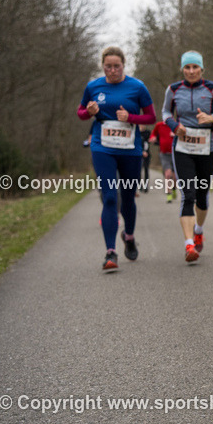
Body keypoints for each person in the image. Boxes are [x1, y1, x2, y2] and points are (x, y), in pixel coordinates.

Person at [78, 46, 156, 271]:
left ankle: (129, 236)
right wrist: (90, 112)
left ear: (124, 65)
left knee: (129, 197)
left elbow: (150, 116)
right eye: (108, 66)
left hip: (130, 148)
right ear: (103, 66)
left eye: (116, 66)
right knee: (110, 197)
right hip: (102, 146)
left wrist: (129, 117)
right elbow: (81, 113)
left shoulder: (137, 87)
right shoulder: (93, 87)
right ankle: (110, 252)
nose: (112, 70)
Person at [162, 51, 213, 263]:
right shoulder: (173, 89)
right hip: (182, 148)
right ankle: (189, 246)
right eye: (187, 67)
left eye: (195, 67)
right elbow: (165, 112)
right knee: (188, 194)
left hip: (207, 147)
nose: (191, 71)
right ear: (182, 69)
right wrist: (174, 125)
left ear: (202, 69)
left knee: (202, 196)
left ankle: (199, 230)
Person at [149, 120, 177, 202]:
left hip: (175, 154)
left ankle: (174, 188)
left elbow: (183, 135)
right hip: (164, 153)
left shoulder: (175, 125)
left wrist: (176, 135)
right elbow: (153, 134)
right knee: (168, 174)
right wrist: (153, 138)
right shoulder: (159, 125)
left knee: (175, 176)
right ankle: (169, 196)